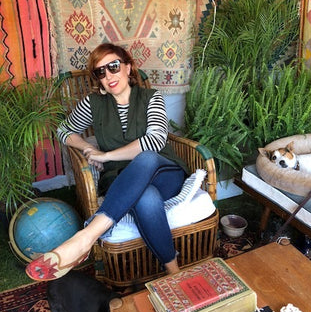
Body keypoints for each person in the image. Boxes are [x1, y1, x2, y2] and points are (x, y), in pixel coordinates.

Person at [26, 43, 189, 282]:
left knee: (146, 157)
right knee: (145, 197)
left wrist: (106, 155)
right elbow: (64, 130)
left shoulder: (151, 97)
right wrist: (88, 147)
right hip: (121, 180)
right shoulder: (94, 104)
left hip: (164, 171)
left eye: (113, 66)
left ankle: (87, 235)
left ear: (128, 67)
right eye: (100, 72)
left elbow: (154, 141)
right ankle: (174, 272)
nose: (108, 75)